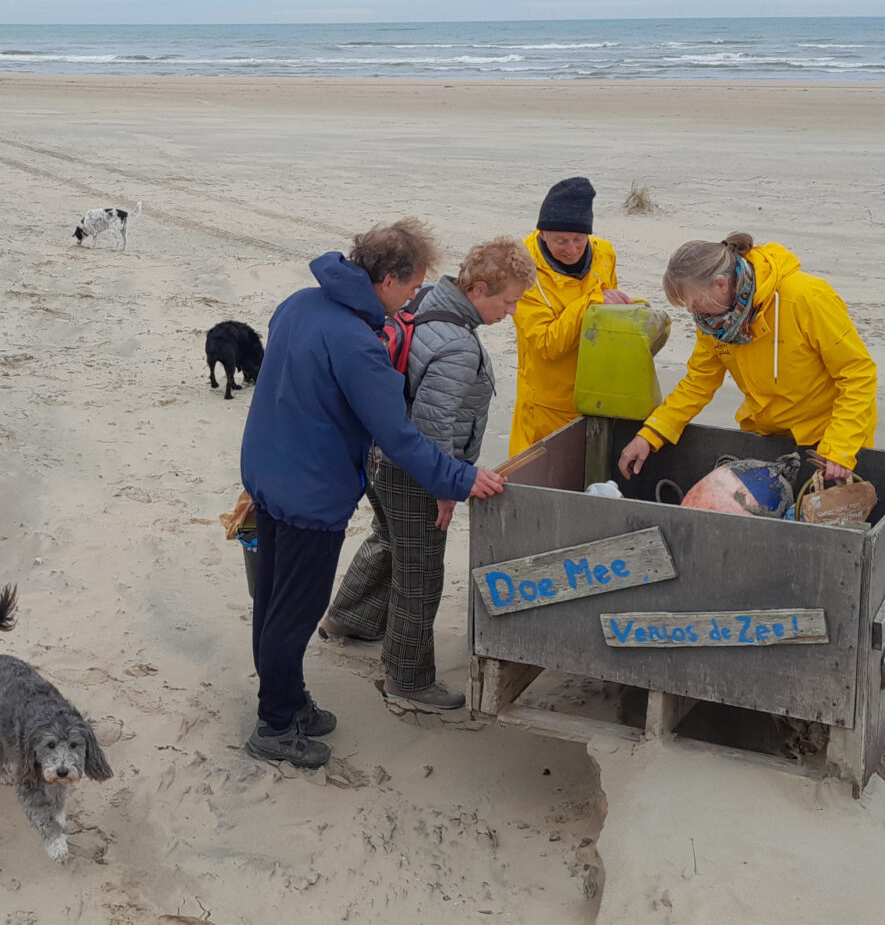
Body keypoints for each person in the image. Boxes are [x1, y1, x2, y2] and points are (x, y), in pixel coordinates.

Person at [239, 219, 507, 768]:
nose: (415, 298)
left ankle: (288, 703)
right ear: (386, 279)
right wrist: (460, 478)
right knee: (293, 612)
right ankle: (274, 725)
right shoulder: (357, 341)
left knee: (270, 599)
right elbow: (400, 437)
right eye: (412, 287)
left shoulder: (300, 303)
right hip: (310, 492)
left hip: (266, 472)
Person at [320, 237, 532, 709]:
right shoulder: (457, 344)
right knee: (420, 572)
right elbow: (434, 425)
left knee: (389, 538)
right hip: (416, 469)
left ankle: (348, 617)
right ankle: (408, 680)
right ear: (478, 289)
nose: (512, 312)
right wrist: (446, 487)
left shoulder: (426, 298)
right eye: (509, 301)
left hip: (378, 454)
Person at [618, 232, 877, 482]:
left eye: (695, 302)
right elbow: (698, 383)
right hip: (768, 439)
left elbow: (858, 375)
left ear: (721, 283)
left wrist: (840, 448)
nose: (692, 312)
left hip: (830, 442)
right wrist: (651, 434)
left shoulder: (806, 297)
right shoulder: (713, 322)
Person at [507, 176, 633, 457]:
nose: (572, 249)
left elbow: (609, 321)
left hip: (598, 396)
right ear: (542, 234)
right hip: (545, 407)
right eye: (561, 241)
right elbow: (546, 344)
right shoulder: (522, 269)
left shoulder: (604, 254)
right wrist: (591, 302)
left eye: (579, 239)